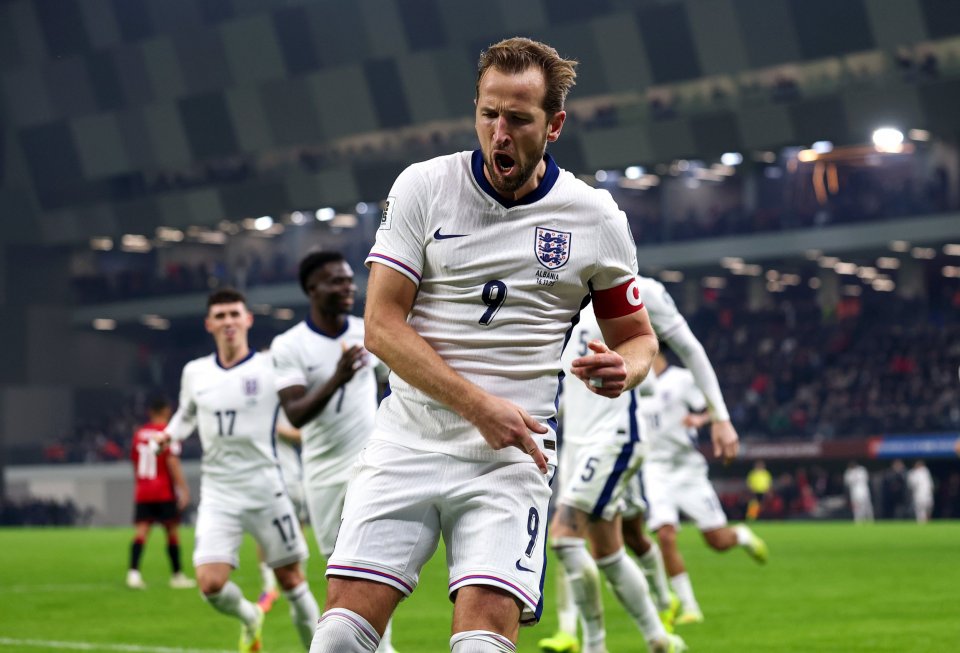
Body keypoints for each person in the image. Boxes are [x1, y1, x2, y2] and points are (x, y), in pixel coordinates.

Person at [311, 36, 663, 653]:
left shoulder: (595, 216)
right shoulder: (423, 186)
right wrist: (478, 406)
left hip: (512, 461)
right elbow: (382, 325)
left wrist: (624, 369)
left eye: (518, 119)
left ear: (553, 125)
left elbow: (637, 338)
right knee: (339, 639)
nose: (499, 133)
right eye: (487, 114)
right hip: (407, 442)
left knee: (480, 646)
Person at [157, 289, 319, 652]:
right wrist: (169, 436)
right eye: (221, 315)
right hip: (219, 493)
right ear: (209, 324)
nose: (228, 321)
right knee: (210, 584)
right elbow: (185, 414)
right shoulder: (195, 372)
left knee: (292, 582)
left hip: (266, 487)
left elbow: (301, 401)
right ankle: (250, 616)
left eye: (234, 314)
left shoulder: (269, 365)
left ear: (247, 319)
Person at [538, 304, 684, 653]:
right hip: (579, 445)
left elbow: (652, 355)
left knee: (563, 537)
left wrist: (627, 368)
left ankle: (594, 645)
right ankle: (658, 638)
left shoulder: (622, 294)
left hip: (613, 438)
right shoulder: (558, 310)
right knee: (609, 552)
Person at [271, 251, 397, 653]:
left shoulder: (367, 330)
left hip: (372, 466)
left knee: (374, 568)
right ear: (312, 289)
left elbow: (392, 382)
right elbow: (296, 412)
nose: (348, 288)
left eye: (349, 280)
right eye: (337, 282)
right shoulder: (290, 345)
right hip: (324, 476)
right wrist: (337, 378)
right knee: (340, 576)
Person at [641, 351, 768, 626]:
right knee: (665, 535)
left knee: (717, 541)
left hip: (688, 470)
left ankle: (741, 535)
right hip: (655, 469)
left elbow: (713, 407)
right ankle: (689, 607)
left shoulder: (682, 379)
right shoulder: (637, 382)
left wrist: (699, 420)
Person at [126, 396, 195, 590]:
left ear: (150, 412)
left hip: (144, 491)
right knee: (172, 532)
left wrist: (140, 483)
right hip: (164, 491)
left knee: (141, 532)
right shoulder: (167, 433)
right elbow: (172, 462)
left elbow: (134, 461)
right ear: (166, 411)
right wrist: (183, 489)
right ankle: (177, 575)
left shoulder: (139, 434)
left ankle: (133, 574)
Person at [256, 409, 306, 614]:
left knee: (298, 525)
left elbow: (303, 436)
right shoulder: (254, 410)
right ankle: (269, 584)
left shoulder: (289, 407)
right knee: (262, 528)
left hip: (291, 476)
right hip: (264, 476)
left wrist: (276, 430)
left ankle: (298, 574)